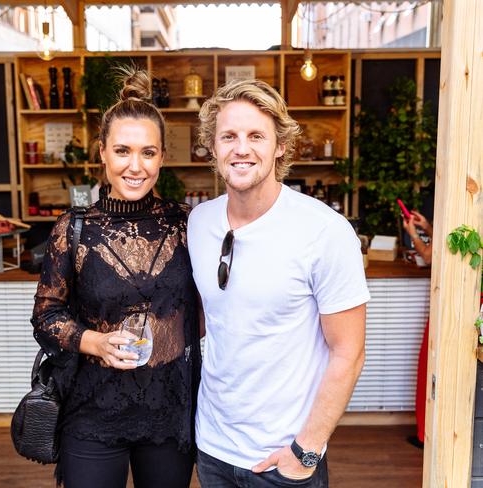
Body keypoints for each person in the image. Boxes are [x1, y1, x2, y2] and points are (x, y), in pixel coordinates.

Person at [187, 79, 370, 487]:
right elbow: (207, 319)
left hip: (283, 460)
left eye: (257, 136)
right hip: (212, 448)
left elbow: (349, 352)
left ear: (280, 146)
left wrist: (306, 450)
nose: (241, 148)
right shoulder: (198, 223)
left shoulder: (324, 231)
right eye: (228, 136)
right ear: (212, 147)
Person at [30, 69, 200, 488]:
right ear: (102, 153)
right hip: (93, 409)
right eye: (123, 151)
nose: (135, 166)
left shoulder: (189, 225)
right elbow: (45, 316)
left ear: (162, 157)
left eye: (148, 152)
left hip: (169, 411)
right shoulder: (75, 229)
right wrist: (95, 342)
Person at [402, 209, 433, 448]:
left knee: (428, 365)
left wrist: (412, 232)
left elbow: (430, 256)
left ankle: (425, 435)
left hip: (448, 307)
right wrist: (428, 229)